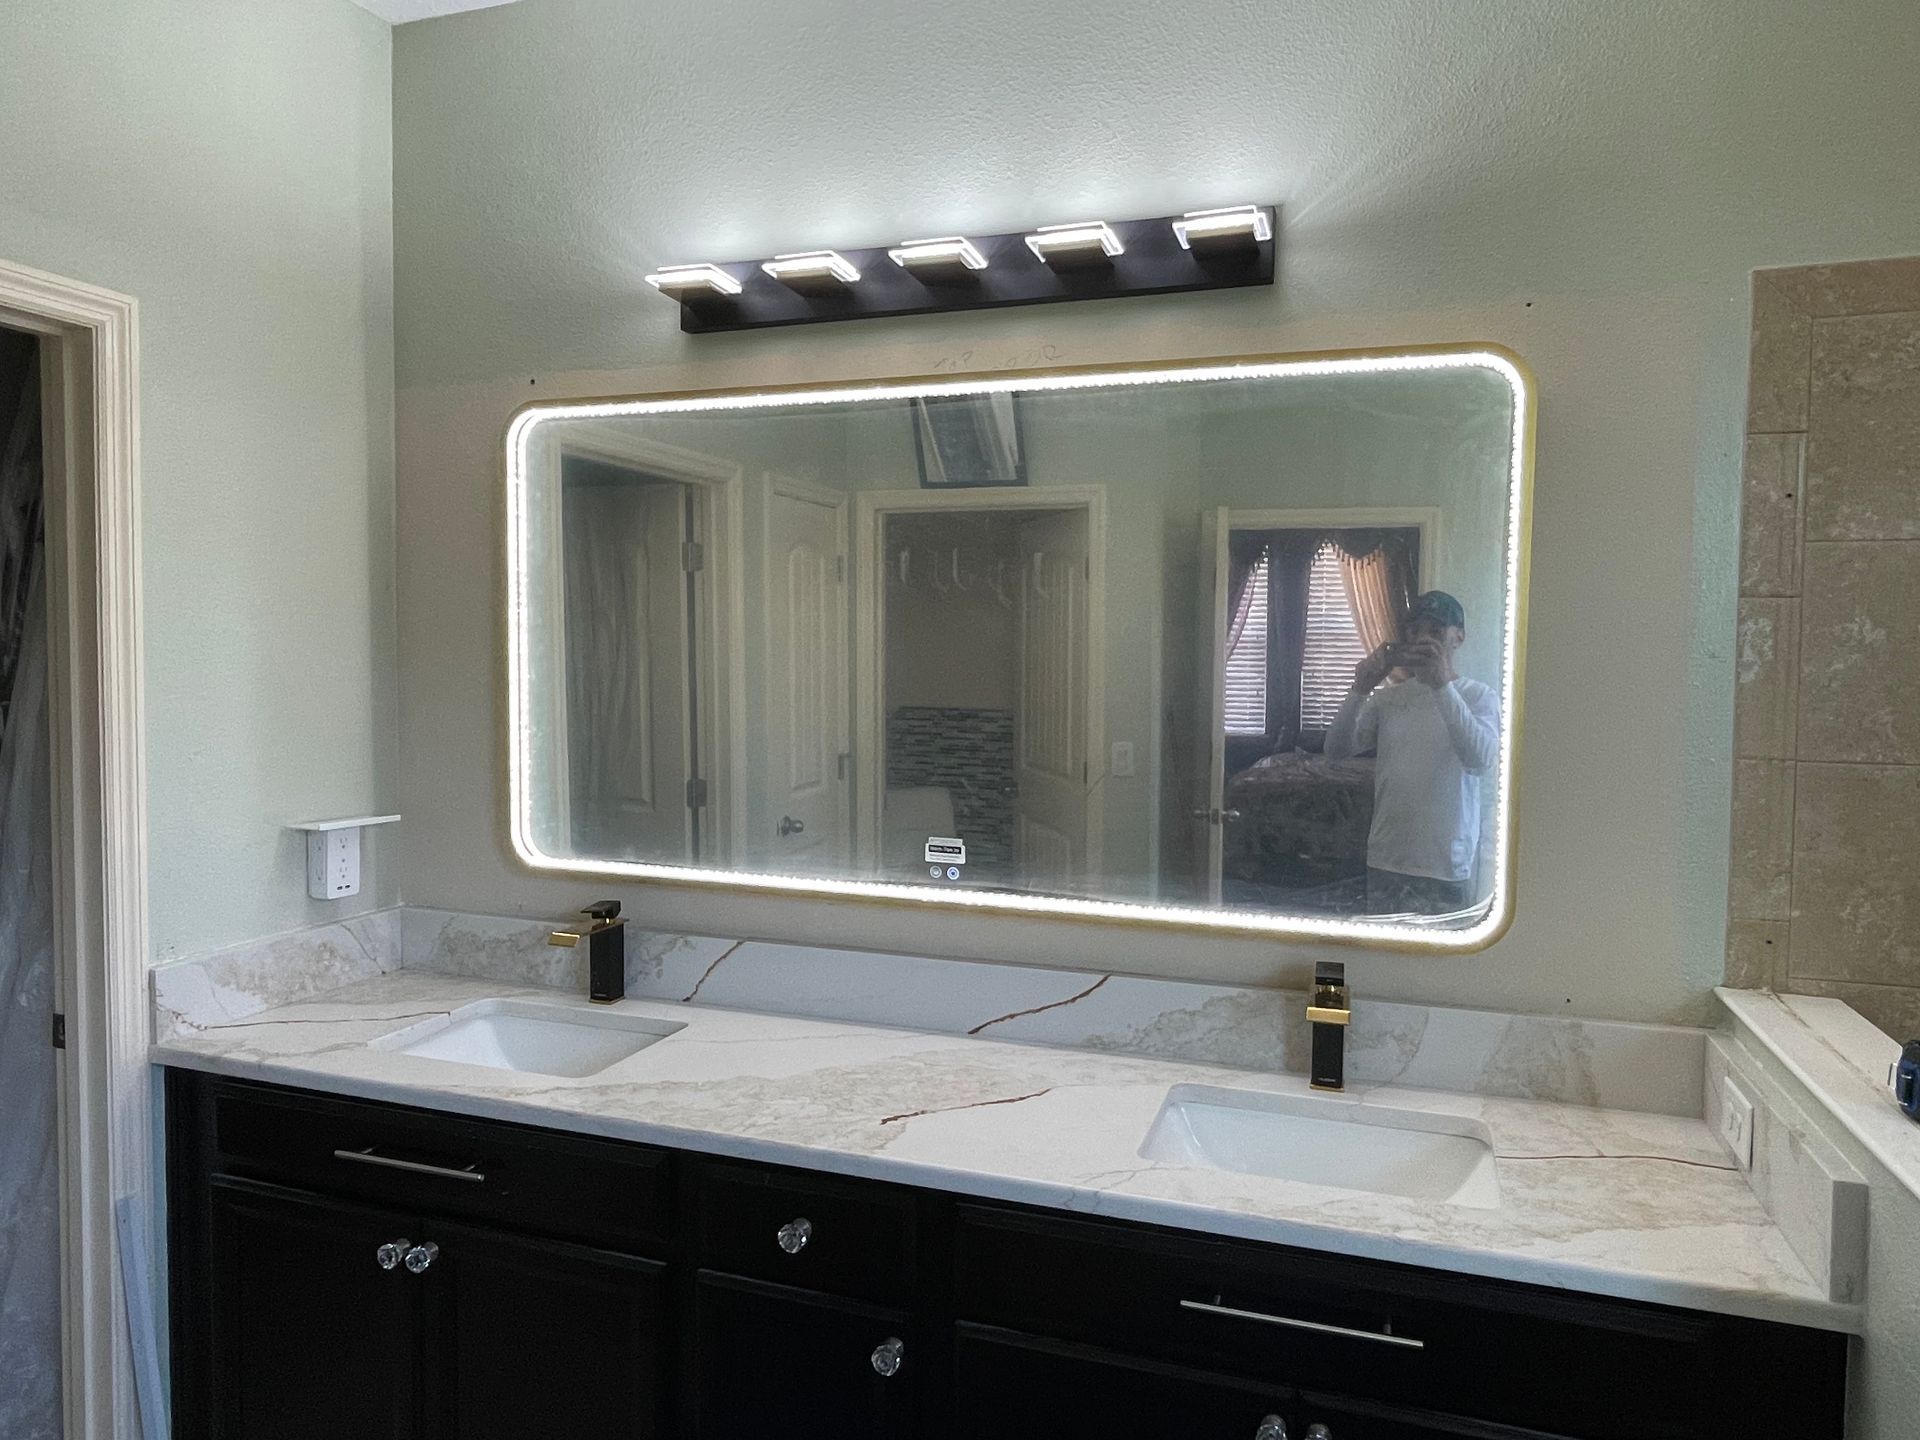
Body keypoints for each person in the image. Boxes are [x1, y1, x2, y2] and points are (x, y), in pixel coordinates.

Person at [1325, 590, 1498, 917]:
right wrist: (1359, 689)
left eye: (1434, 631)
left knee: (1439, 966)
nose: (1422, 639)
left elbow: (1480, 760)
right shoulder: (1389, 699)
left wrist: (1442, 686)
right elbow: (1335, 752)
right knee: (1384, 961)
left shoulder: (1479, 697)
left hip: (1445, 862)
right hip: (1386, 857)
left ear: (1458, 637)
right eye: (1414, 630)